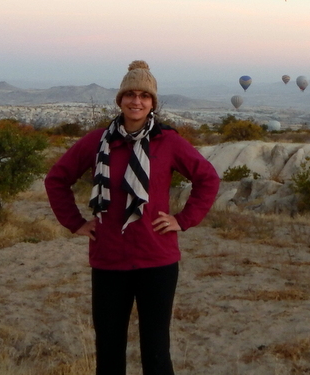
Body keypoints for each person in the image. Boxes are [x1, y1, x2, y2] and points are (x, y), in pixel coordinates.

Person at [45, 60, 220, 375]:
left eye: (144, 95)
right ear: (120, 99)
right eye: (130, 94)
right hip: (109, 258)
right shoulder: (98, 141)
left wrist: (183, 219)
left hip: (157, 259)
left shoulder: (168, 142)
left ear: (153, 102)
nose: (136, 101)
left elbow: (207, 178)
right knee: (109, 350)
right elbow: (57, 179)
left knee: (156, 350)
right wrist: (74, 222)